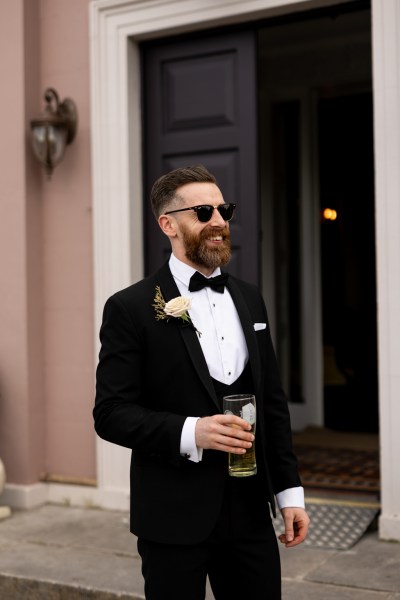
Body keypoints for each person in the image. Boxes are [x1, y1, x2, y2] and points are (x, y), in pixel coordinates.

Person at [94, 165, 310, 600]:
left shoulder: (250, 297)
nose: (219, 221)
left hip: (250, 512)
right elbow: (111, 415)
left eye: (223, 210)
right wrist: (194, 430)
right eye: (204, 211)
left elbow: (271, 402)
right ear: (168, 224)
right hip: (172, 517)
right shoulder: (130, 307)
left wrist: (289, 494)